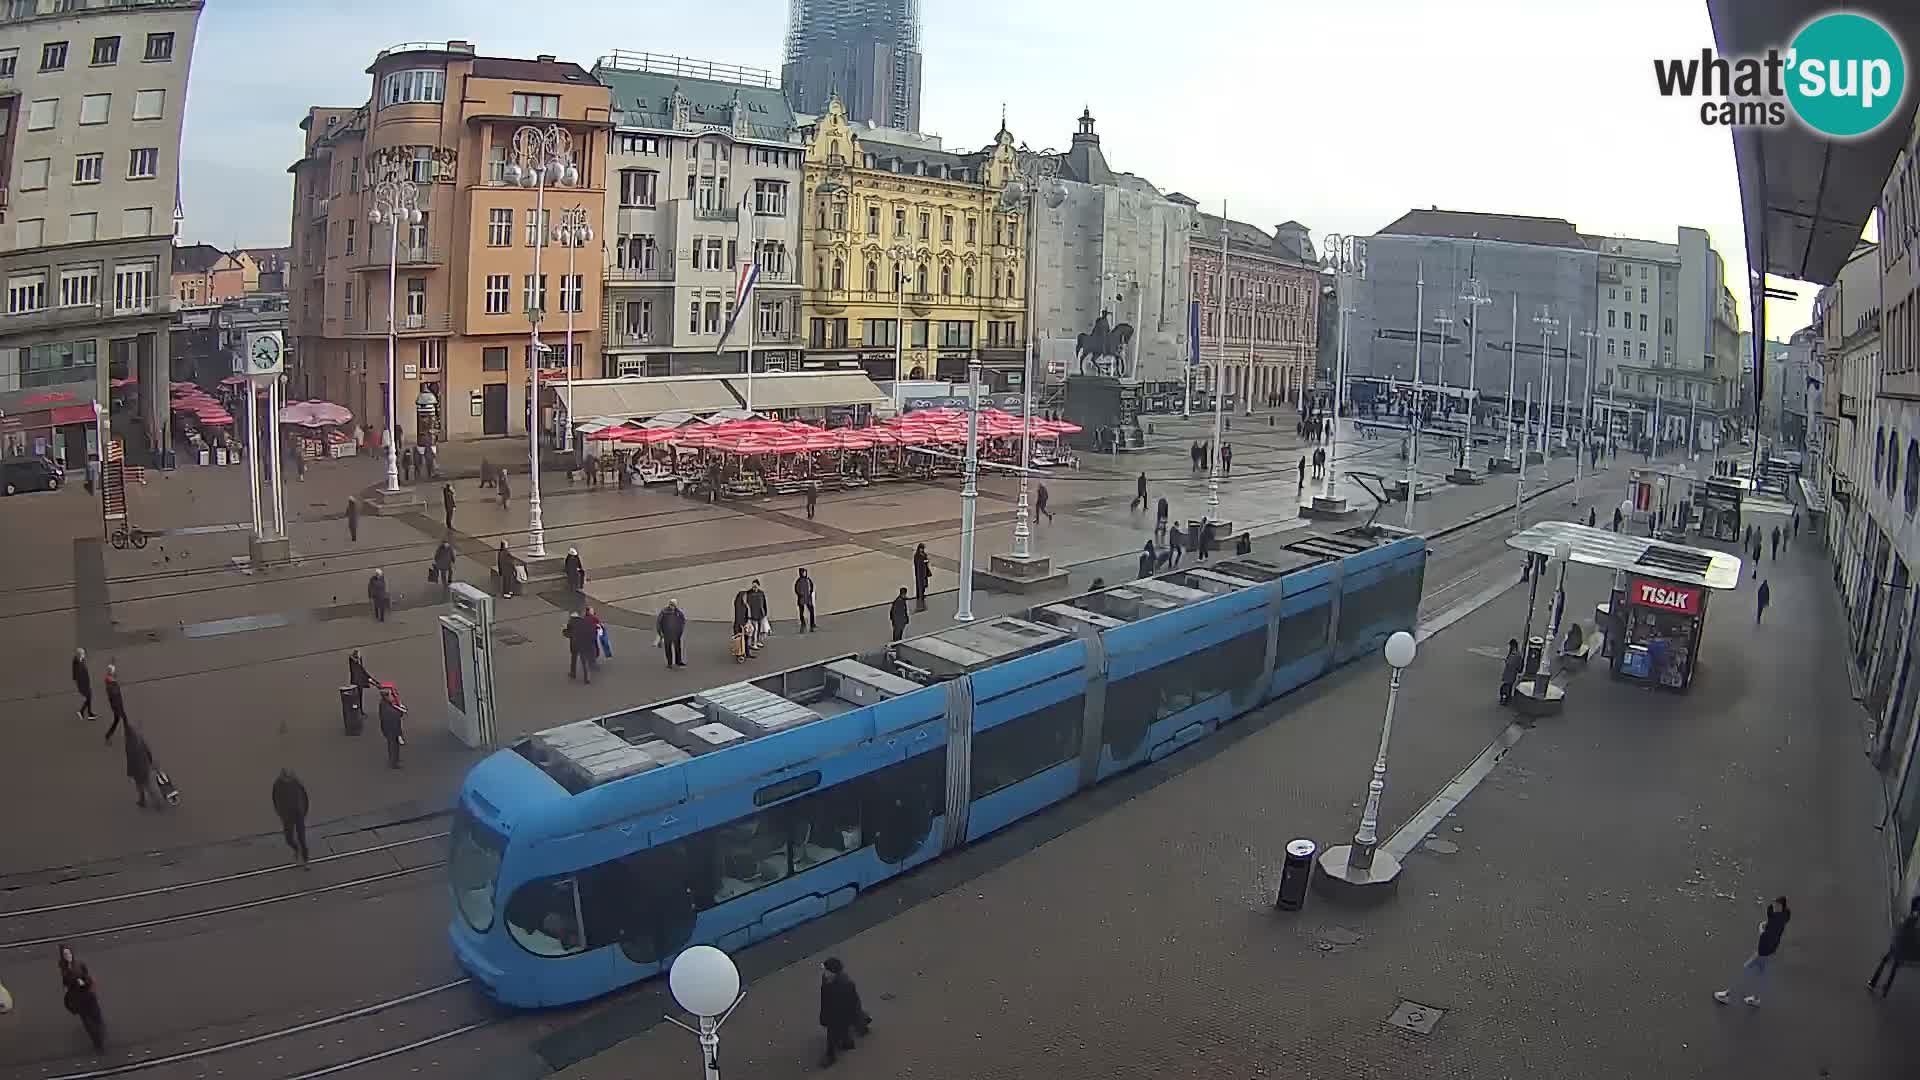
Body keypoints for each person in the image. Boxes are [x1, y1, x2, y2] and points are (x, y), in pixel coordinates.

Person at [1716, 896, 1791, 1006]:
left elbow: (1765, 935)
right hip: (1771, 951)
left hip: (1763, 951)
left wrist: (1761, 928)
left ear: (1779, 905)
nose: (1774, 907)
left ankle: (1727, 995)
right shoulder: (1785, 916)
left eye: (1776, 905)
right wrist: (1769, 924)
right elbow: (1775, 925)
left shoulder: (1775, 919)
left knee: (1744, 970)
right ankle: (1755, 999)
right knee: (1761, 976)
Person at [817, 956, 871, 1067]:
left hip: (840, 1013)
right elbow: (825, 998)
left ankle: (830, 1055)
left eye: (826, 970)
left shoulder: (846, 984)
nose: (824, 972)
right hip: (834, 1011)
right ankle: (852, 1037)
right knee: (844, 1030)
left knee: (833, 1034)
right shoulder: (827, 978)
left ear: (833, 972)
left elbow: (853, 1002)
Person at [1868, 895, 1920, 997]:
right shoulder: (1912, 922)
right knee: (1893, 968)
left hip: (1897, 945)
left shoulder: (1909, 919)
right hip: (1901, 948)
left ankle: (1875, 983)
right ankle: (1884, 988)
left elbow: (1901, 930)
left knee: (1887, 962)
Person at [59, 945, 106, 1052]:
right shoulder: (64, 970)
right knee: (88, 1023)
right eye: (65, 954)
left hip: (88, 995)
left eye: (69, 953)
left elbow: (88, 977)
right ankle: (98, 1043)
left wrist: (84, 983)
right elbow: (66, 987)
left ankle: (100, 1035)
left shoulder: (79, 964)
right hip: (78, 999)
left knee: (97, 1018)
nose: (68, 956)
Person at [272, 769, 310, 865]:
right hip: (287, 815)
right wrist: (280, 812)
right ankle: (297, 850)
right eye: (285, 778)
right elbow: (275, 798)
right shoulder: (277, 785)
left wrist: (303, 812)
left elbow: (305, 798)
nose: (287, 780)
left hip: (298, 814)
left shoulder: (297, 783)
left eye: (289, 777)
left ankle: (306, 860)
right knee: (288, 839)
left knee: (302, 839)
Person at [122, 720, 156, 807]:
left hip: (138, 769)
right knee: (147, 784)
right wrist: (150, 761)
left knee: (141, 785)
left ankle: (144, 800)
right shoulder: (140, 739)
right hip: (145, 765)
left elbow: (130, 760)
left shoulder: (129, 745)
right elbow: (147, 750)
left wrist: (130, 772)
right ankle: (149, 800)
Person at [377, 683, 407, 769]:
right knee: (393, 746)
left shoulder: (383, 704)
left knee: (393, 745)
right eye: (390, 695)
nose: (392, 697)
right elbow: (396, 716)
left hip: (388, 729)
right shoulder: (389, 710)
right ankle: (394, 762)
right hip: (392, 730)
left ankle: (395, 760)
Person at [656, 599, 687, 669]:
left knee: (677, 648)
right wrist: (660, 633)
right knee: (668, 648)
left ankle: (678, 661)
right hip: (667, 634)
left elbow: (682, 621)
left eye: (674, 605)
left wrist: (680, 631)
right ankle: (669, 663)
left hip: (676, 634)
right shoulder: (664, 612)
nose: (672, 606)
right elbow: (659, 623)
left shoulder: (678, 612)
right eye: (671, 605)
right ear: (669, 604)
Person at [565, 610, 595, 683]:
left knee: (574, 658)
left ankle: (573, 673)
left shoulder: (570, 623)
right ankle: (587, 678)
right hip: (584, 644)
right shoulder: (584, 622)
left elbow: (568, 634)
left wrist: (564, 632)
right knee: (584, 661)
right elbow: (590, 632)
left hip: (575, 644)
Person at [102, 664, 127, 741]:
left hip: (117, 705)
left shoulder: (110, 681)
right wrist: (118, 708)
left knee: (118, 720)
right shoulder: (111, 685)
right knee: (123, 719)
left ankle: (108, 735)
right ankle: (128, 733)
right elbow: (115, 696)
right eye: (113, 671)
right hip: (117, 705)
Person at [72, 647, 95, 721]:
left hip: (82, 684)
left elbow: (75, 675)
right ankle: (82, 712)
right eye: (83, 654)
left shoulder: (78, 661)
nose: (84, 655)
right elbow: (81, 676)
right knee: (89, 697)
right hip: (83, 685)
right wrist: (87, 685)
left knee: (89, 697)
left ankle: (89, 713)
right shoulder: (80, 665)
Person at [1499, 638, 1524, 704]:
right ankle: (1507, 698)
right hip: (1511, 673)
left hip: (1510, 673)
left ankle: (1504, 698)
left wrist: (1507, 662)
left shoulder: (1515, 654)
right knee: (1508, 686)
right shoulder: (1516, 654)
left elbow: (1512, 663)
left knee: (1505, 687)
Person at [732, 589, 755, 659]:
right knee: (740, 640)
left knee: (746, 639)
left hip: (744, 625)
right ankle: (740, 654)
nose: (746, 598)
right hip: (739, 625)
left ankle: (746, 653)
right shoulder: (739, 605)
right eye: (744, 596)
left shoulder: (744, 605)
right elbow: (739, 616)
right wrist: (741, 626)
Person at [912, 543, 933, 612]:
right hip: (919, 573)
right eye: (921, 548)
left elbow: (925, 561)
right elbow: (918, 563)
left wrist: (926, 561)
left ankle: (922, 594)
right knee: (920, 585)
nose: (922, 549)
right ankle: (920, 596)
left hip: (924, 572)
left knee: (923, 585)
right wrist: (924, 561)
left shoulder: (923, 554)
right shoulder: (917, 556)